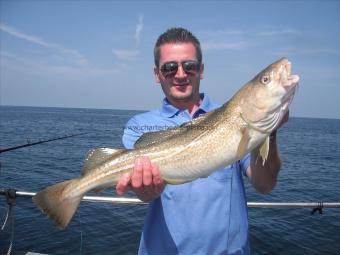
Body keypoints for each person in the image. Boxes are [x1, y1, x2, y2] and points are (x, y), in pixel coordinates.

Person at [116, 27, 286, 255]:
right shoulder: (140, 125)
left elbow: (265, 185)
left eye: (189, 66)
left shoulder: (235, 119)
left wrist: (270, 131)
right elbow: (145, 195)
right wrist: (146, 189)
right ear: (157, 74)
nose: (180, 74)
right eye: (169, 67)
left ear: (201, 70)